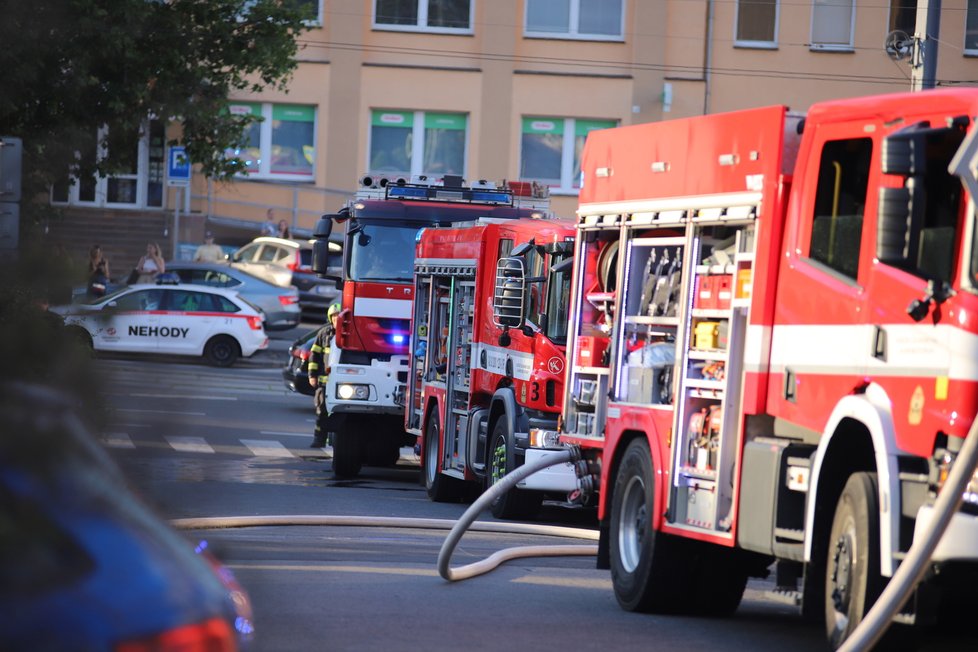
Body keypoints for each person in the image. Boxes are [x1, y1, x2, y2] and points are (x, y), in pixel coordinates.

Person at [307, 302, 341, 448]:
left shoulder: (350, 333)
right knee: (322, 411)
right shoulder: (323, 333)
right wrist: (312, 375)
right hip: (324, 382)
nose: (336, 319)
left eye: (339, 316)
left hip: (342, 382)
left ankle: (335, 439)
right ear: (330, 318)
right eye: (334, 317)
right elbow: (314, 355)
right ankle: (319, 439)